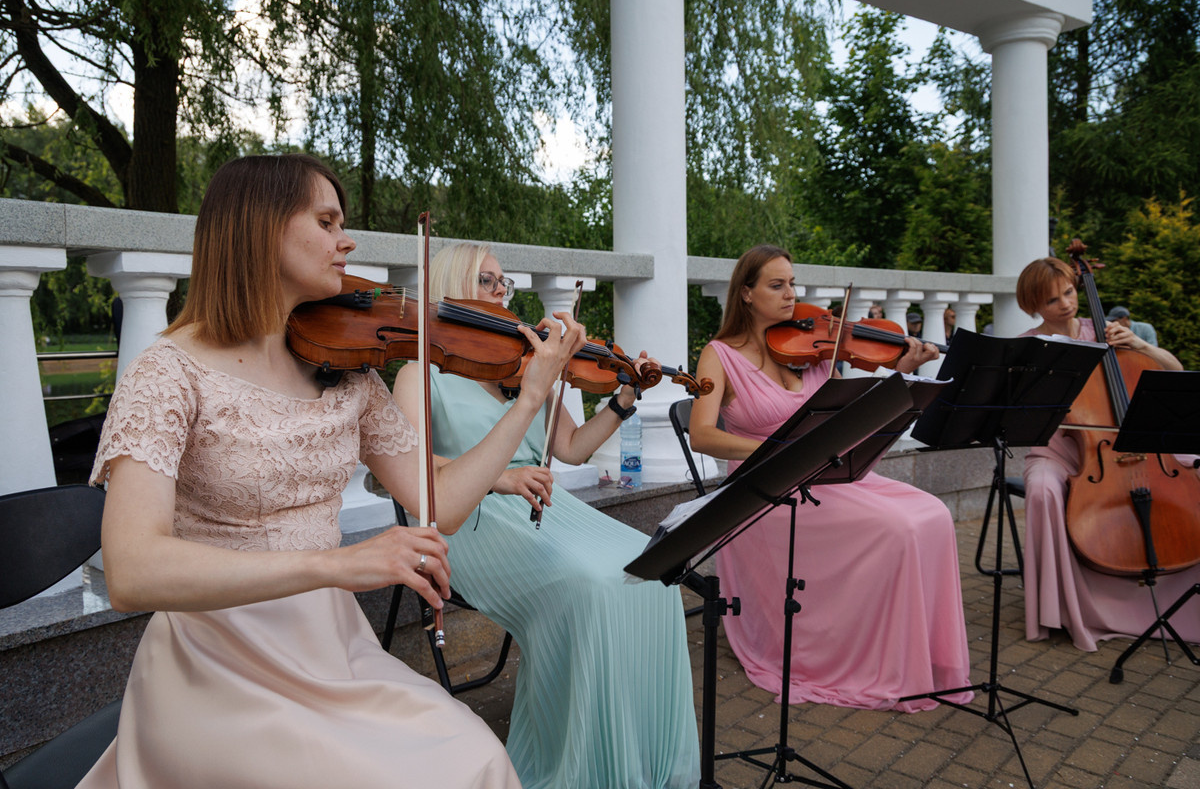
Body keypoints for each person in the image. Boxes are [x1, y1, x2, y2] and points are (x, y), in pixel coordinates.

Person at [80, 154, 588, 788]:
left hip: (330, 647)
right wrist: (338, 565)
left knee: (476, 759)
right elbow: (129, 571)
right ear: (258, 228)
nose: (346, 240)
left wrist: (533, 397)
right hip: (217, 663)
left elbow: (442, 504)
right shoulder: (168, 373)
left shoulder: (348, 369)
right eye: (325, 221)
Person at [391, 243, 700, 789]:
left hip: (545, 513)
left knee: (652, 569)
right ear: (453, 287)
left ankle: (642, 755)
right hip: (473, 523)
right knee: (589, 587)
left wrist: (625, 398)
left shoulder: (522, 370)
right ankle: (577, 764)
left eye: (503, 284)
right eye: (488, 281)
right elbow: (415, 468)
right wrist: (500, 476)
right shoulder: (420, 373)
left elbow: (575, 448)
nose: (502, 294)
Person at [688, 244, 974, 712]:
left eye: (792, 284)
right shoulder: (718, 355)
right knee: (898, 529)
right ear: (745, 293)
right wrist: (781, 452)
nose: (790, 295)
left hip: (827, 475)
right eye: (776, 285)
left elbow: (850, 419)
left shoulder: (815, 350)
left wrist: (899, 375)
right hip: (765, 493)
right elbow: (702, 435)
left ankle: (925, 662)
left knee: (934, 514)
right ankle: (870, 660)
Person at [1016, 257, 1200, 651]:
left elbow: (1174, 369)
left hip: (1131, 439)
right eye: (1052, 300)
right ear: (1034, 306)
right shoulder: (1030, 346)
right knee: (1043, 490)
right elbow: (1019, 413)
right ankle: (1060, 607)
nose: (1065, 304)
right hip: (1061, 447)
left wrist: (1141, 345)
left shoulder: (1106, 331)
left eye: (1068, 292)